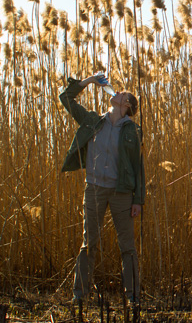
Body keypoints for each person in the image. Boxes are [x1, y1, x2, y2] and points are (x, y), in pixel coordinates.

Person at [59, 74, 144, 303]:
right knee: (89, 243)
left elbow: (138, 168)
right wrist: (88, 82)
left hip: (121, 194)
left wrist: (138, 200)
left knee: (127, 246)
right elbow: (65, 98)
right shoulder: (93, 120)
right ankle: (80, 295)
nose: (116, 92)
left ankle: (133, 297)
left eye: (122, 93)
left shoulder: (133, 131)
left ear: (127, 105)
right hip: (94, 189)